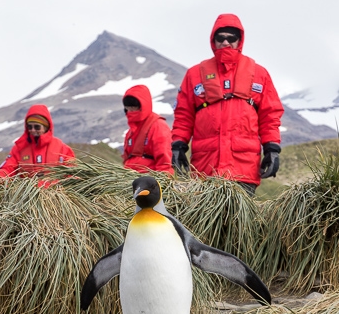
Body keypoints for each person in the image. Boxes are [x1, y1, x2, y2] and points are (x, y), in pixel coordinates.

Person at [171, 13, 284, 195]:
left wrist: (272, 148)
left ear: (240, 40)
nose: (225, 43)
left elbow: (270, 115)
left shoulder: (259, 73)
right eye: (220, 38)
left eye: (232, 38)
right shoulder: (194, 74)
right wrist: (178, 145)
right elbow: (184, 115)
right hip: (205, 169)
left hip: (243, 170)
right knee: (204, 223)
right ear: (213, 40)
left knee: (240, 223)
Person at [0, 104, 75, 187]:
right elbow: (7, 168)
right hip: (27, 197)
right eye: (30, 127)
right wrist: (0, 181)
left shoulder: (62, 148)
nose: (33, 130)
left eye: (37, 127)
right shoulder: (19, 148)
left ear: (46, 127)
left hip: (56, 195)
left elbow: (72, 172)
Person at [122, 85, 174, 176]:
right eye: (128, 108)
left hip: (148, 181)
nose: (130, 111)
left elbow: (164, 162)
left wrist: (162, 183)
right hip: (128, 179)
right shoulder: (130, 132)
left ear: (143, 105)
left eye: (134, 107)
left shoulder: (158, 126)